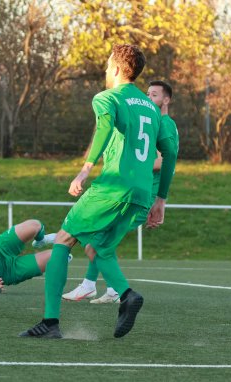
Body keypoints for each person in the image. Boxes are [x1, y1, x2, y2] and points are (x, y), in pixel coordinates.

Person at [20, 44, 178, 339]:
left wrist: (85, 169)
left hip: (113, 186)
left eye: (107, 67)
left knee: (65, 239)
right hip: (141, 194)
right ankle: (127, 294)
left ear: (117, 69)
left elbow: (104, 129)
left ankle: (50, 323)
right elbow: (169, 154)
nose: (106, 71)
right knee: (98, 247)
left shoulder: (107, 97)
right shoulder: (154, 112)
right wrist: (161, 200)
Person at [63, 80, 179, 304]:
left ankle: (99, 287)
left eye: (154, 95)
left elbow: (164, 161)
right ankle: (111, 289)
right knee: (101, 241)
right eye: (147, 93)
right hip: (138, 193)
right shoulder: (151, 120)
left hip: (142, 196)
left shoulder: (164, 124)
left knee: (98, 242)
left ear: (166, 100)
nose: (148, 98)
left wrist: (158, 198)